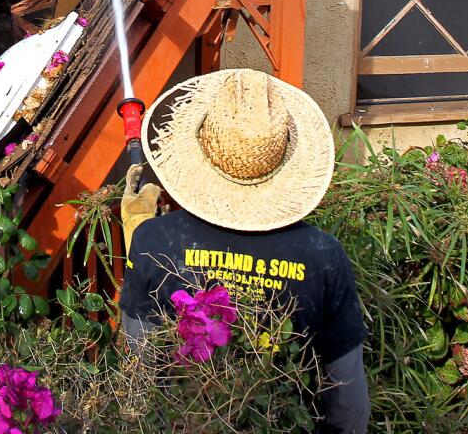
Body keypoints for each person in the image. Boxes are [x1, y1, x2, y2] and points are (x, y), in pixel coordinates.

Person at [118, 69, 370, 434]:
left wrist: (142, 235)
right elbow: (347, 402)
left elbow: (140, 372)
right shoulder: (323, 255)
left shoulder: (154, 241)